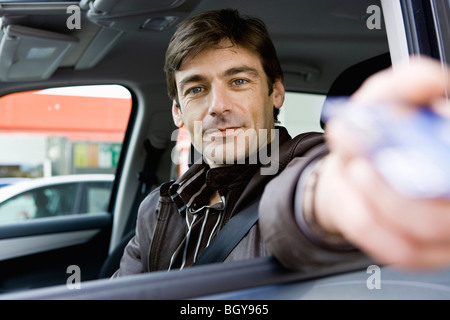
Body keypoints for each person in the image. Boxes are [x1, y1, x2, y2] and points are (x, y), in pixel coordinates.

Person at [112, 9, 450, 277]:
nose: (218, 106)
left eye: (239, 81)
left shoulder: (304, 163)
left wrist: (340, 191)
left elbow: (309, 191)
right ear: (178, 111)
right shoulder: (159, 207)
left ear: (276, 92)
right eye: (196, 89)